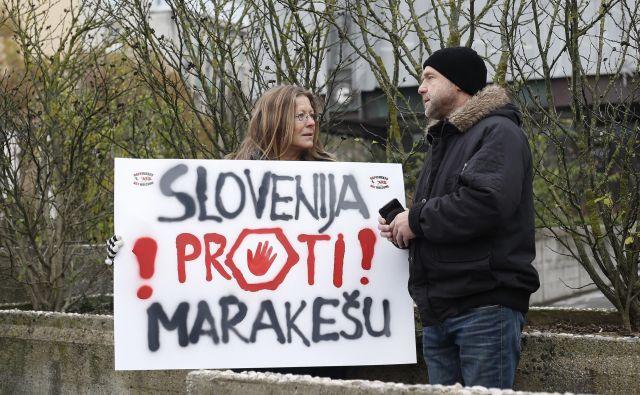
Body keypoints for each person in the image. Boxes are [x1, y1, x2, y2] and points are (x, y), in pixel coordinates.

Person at [377, 47, 540, 389]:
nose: (420, 88)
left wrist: (417, 219)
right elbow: (447, 216)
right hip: (442, 311)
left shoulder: (498, 132)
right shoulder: (445, 141)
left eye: (429, 78)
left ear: (459, 84)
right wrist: (404, 225)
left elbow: (486, 203)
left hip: (483, 307)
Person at [105, 85, 335, 264]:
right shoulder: (229, 176)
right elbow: (188, 239)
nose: (312, 123)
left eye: (312, 115)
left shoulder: (333, 179)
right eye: (301, 116)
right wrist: (127, 253)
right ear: (276, 121)